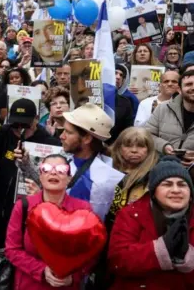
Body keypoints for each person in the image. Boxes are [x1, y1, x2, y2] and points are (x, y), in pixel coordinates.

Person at [0, 98, 60, 269]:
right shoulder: (5, 132)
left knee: (23, 256)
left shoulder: (49, 143)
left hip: (29, 211)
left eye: (25, 126)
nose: (20, 130)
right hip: (0, 206)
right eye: (16, 125)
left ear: (36, 119)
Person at [5, 154, 92, 289]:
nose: (53, 172)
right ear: (40, 176)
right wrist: (41, 270)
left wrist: (74, 276)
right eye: (46, 168)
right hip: (29, 283)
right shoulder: (24, 206)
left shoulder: (83, 210)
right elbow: (12, 250)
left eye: (61, 169)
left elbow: (91, 253)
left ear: (69, 178)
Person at [108, 156, 194, 289]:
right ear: (154, 192)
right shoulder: (131, 214)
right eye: (167, 184)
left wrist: (187, 259)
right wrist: (161, 249)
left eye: (182, 184)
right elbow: (118, 261)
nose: (176, 190)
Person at [59, 103, 124, 220]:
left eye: (68, 132)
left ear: (87, 138)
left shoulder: (100, 180)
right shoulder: (63, 158)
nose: (61, 136)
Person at [105, 127, 159, 229]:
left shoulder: (155, 175)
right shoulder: (106, 167)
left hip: (134, 229)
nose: (134, 150)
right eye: (128, 146)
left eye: (141, 146)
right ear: (119, 147)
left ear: (149, 149)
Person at [144, 69, 194, 168]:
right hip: (162, 168)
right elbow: (147, 135)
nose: (193, 87)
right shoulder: (163, 108)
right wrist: (164, 146)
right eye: (189, 84)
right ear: (179, 90)